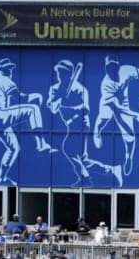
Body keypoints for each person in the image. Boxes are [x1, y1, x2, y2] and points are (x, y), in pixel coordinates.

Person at [0, 57, 57, 186]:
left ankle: (1, 178)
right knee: (33, 109)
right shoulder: (3, 80)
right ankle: (41, 144)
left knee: (14, 148)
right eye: (6, 69)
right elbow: (20, 97)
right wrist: (35, 96)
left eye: (10, 68)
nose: (9, 71)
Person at [47, 59, 123, 187]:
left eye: (63, 72)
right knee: (83, 160)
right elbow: (51, 106)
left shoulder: (79, 89)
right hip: (69, 124)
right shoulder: (55, 88)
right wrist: (56, 102)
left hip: (81, 123)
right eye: (59, 72)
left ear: (70, 74)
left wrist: (66, 107)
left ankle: (85, 178)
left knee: (68, 149)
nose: (60, 75)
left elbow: (85, 109)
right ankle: (112, 170)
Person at [92, 55, 139, 176]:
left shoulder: (126, 70)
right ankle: (97, 132)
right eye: (109, 66)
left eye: (114, 65)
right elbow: (117, 108)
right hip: (109, 103)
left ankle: (128, 157)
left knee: (130, 136)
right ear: (105, 68)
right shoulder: (106, 84)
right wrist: (137, 115)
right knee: (104, 118)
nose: (112, 69)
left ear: (118, 66)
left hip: (123, 102)